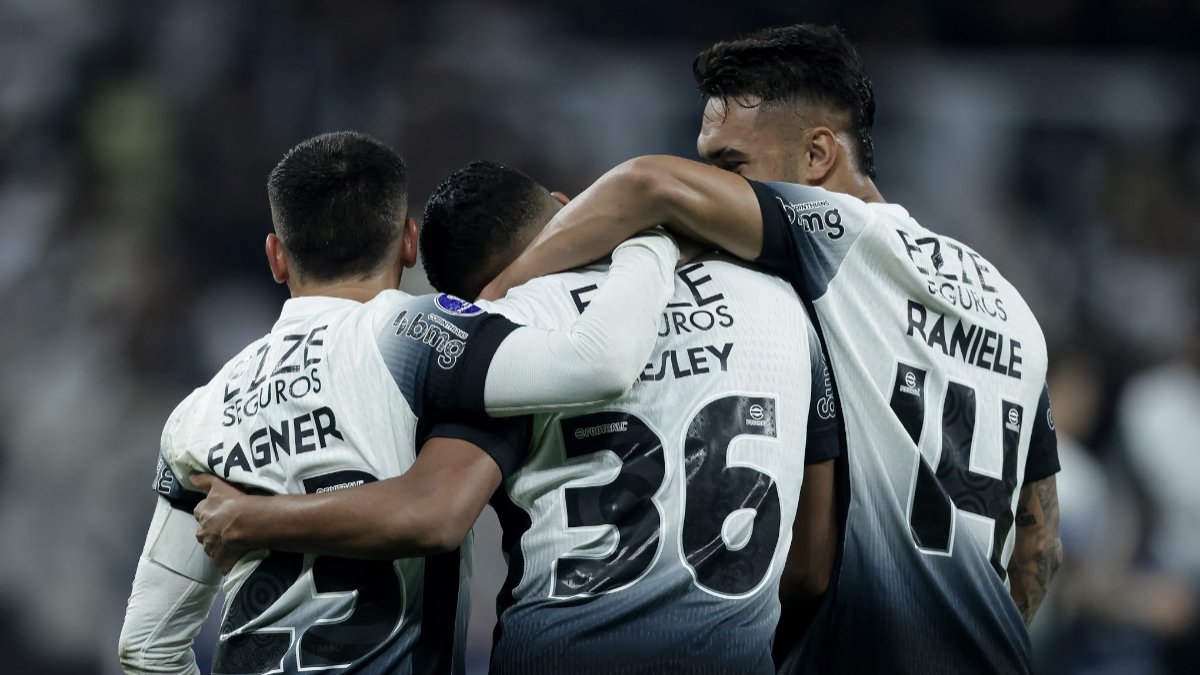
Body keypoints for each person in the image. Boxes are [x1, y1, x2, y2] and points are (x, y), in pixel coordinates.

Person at [481, 24, 1063, 675]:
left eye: (730, 165)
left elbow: (646, 184)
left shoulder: (841, 237)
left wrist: (497, 296)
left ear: (817, 156)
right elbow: (1039, 545)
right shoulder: (1013, 306)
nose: (714, 188)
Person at [189, 159, 842, 674]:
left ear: (461, 298)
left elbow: (433, 511)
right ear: (563, 205)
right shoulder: (777, 302)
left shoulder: (506, 339)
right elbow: (811, 566)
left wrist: (251, 516)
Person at [117, 132, 682, 675]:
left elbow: (146, 647)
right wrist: (650, 236)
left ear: (276, 257)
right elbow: (599, 363)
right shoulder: (419, 333)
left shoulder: (197, 414)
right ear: (410, 243)